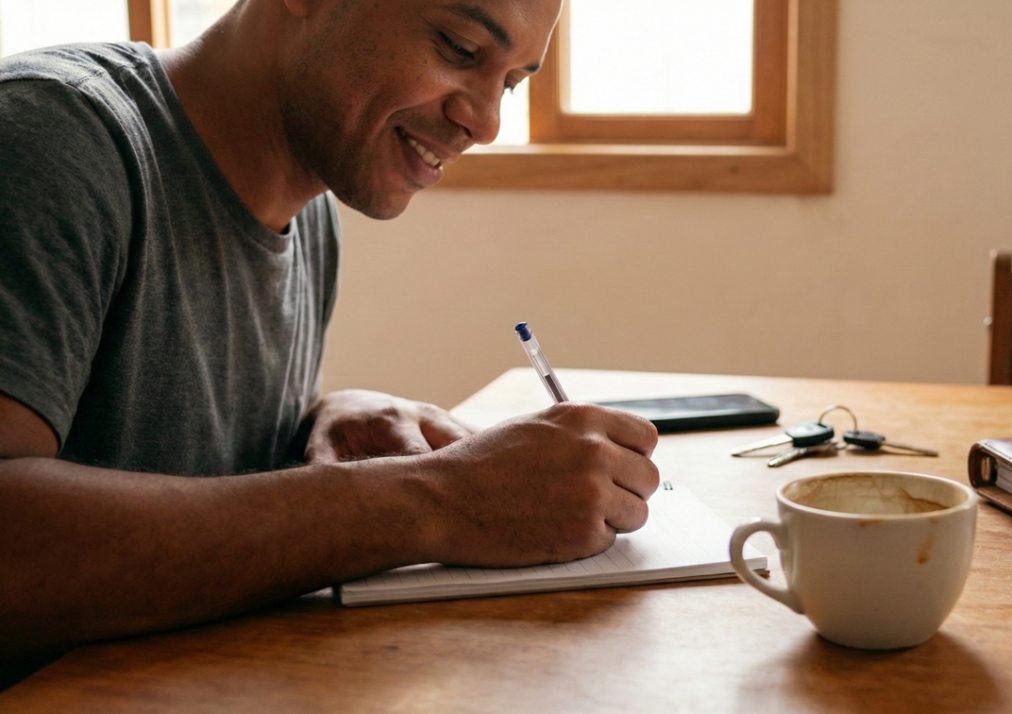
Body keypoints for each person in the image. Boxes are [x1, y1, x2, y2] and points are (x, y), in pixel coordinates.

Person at [0, 0, 659, 669]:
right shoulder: (48, 141)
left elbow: (183, 489)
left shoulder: (311, 211)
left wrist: (317, 421)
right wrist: (434, 498)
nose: (486, 122)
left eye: (512, 82)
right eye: (458, 49)